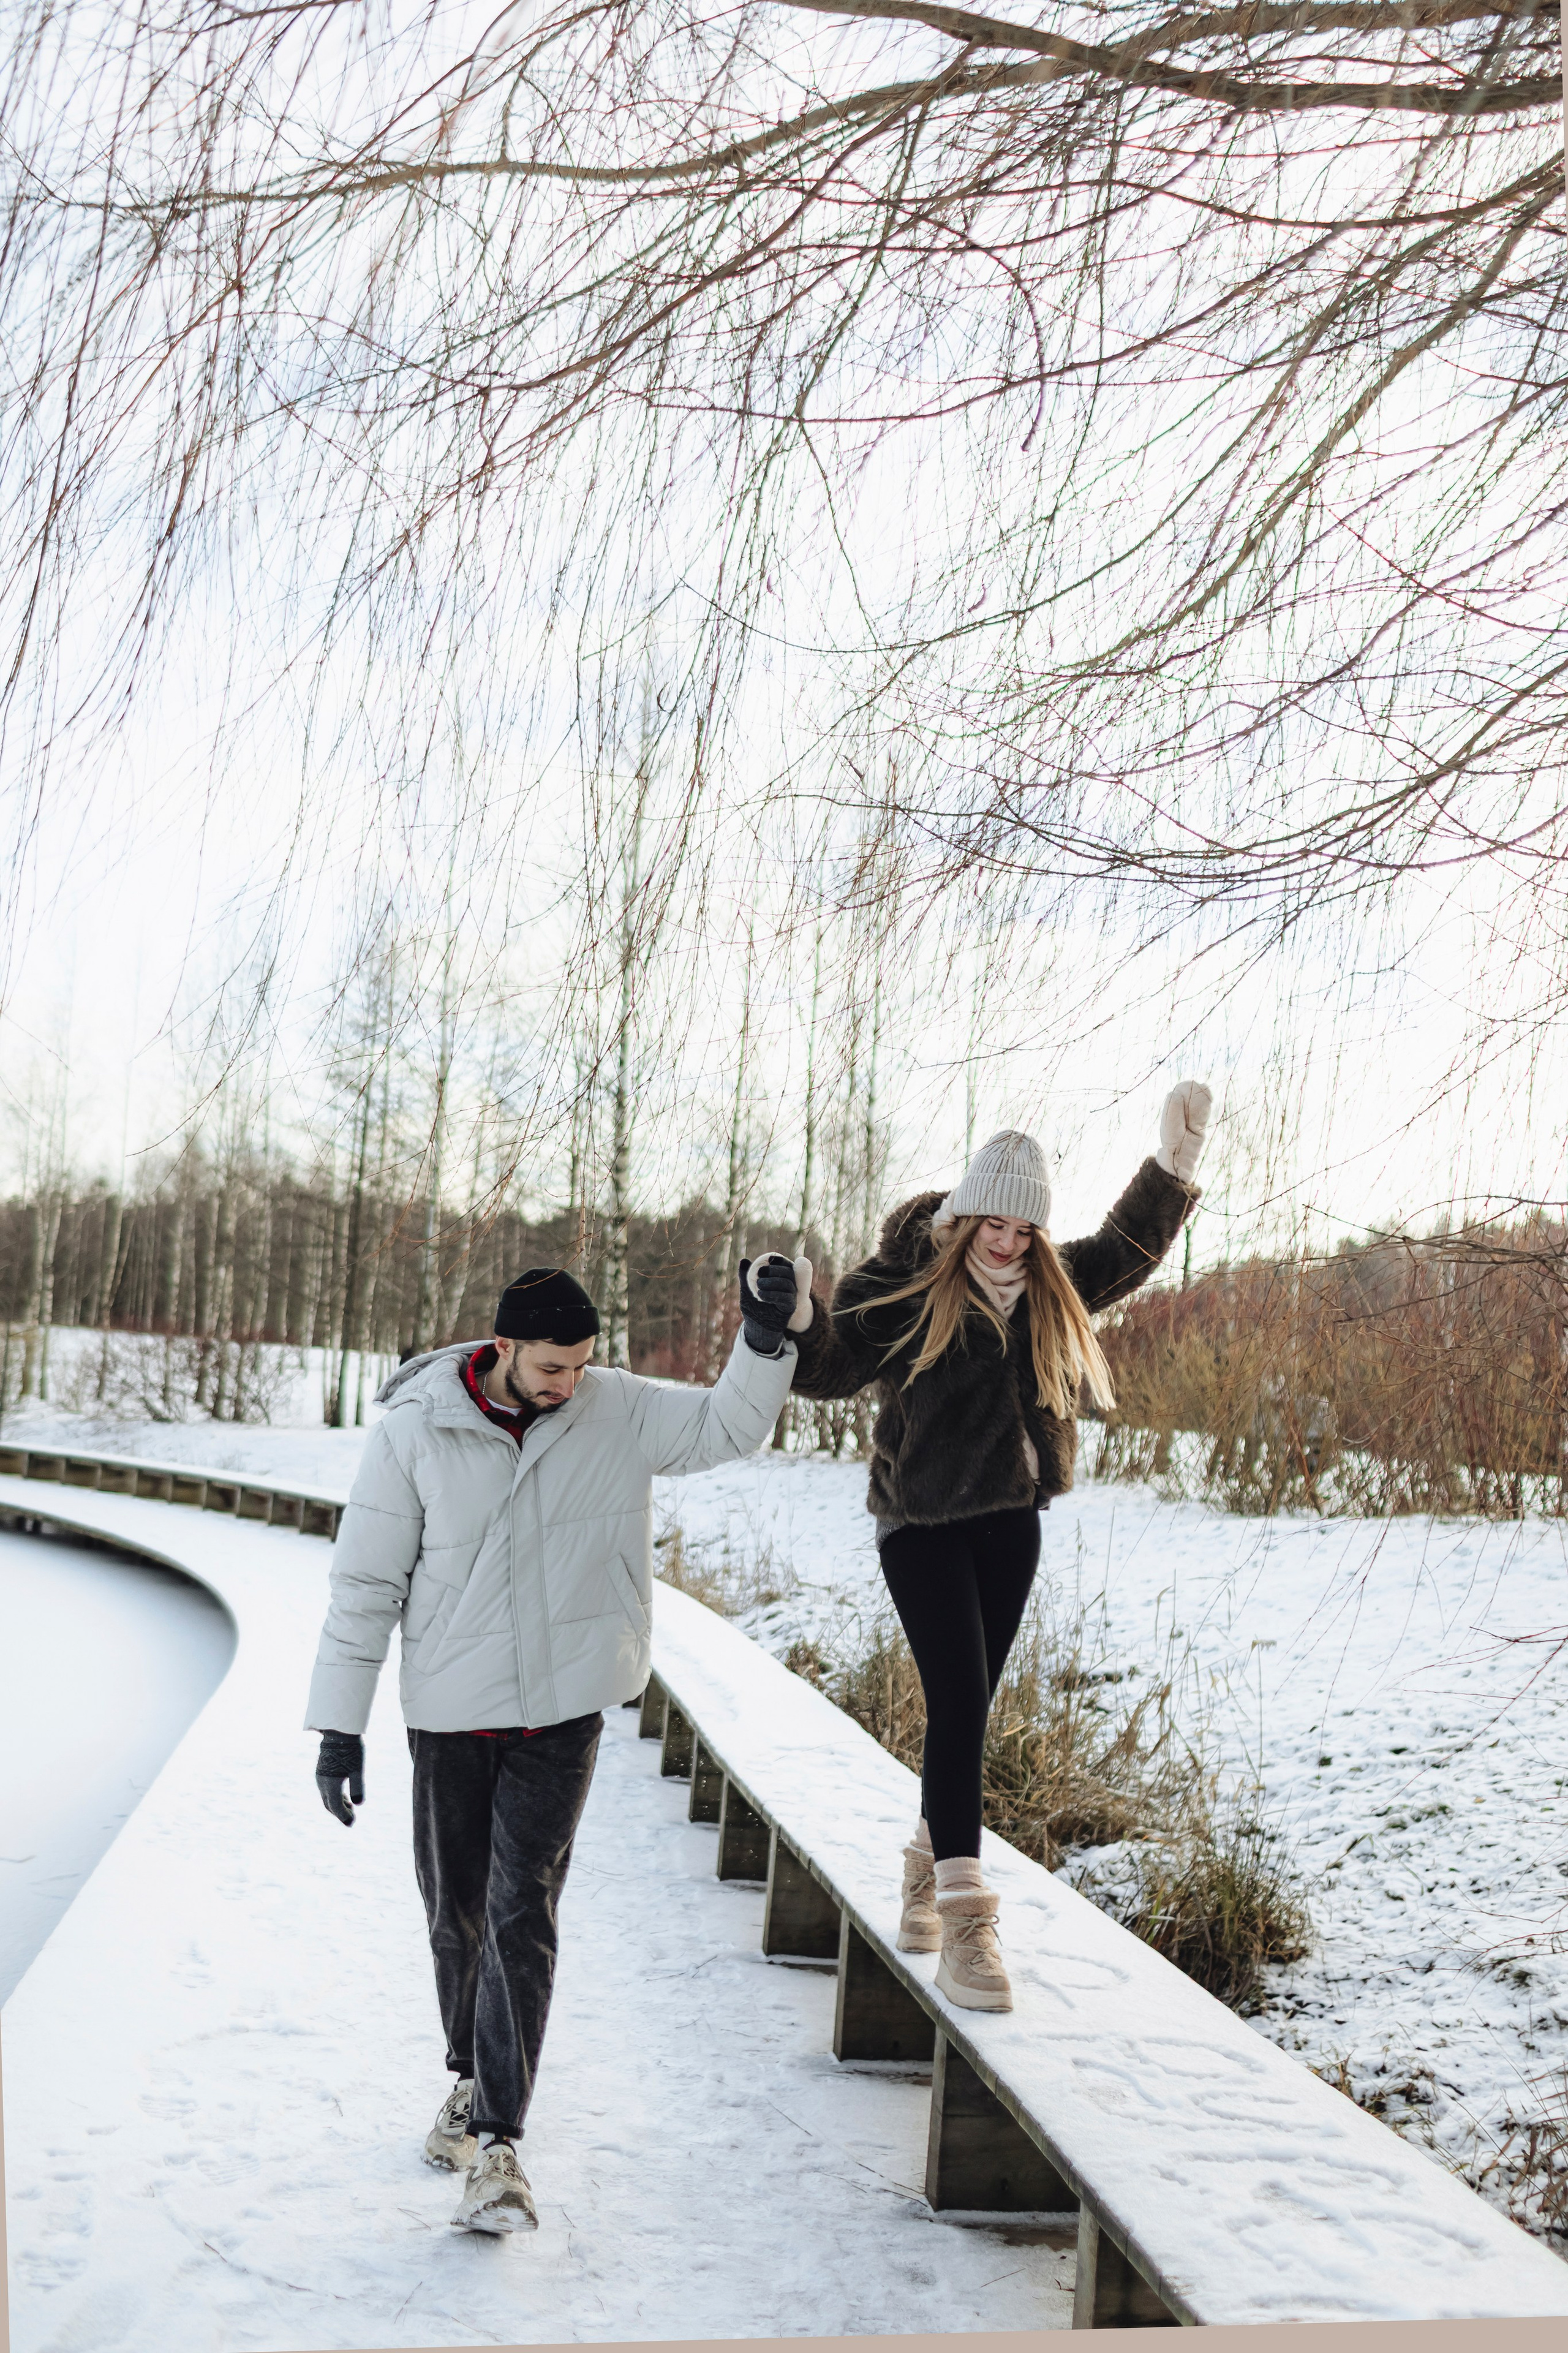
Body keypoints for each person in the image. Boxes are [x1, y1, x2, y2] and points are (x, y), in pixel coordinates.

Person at [304, 1255, 811, 2234]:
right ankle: (469, 2072)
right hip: (451, 1711)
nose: (568, 1384)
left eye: (581, 1365)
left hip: (564, 1709)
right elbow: (365, 1582)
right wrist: (339, 1723)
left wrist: (763, 1338)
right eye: (551, 1367)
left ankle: (499, 2143)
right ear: (502, 1348)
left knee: (519, 1908)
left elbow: (728, 1426)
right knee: (455, 1914)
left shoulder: (613, 1408)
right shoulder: (416, 1430)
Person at [786, 1083, 1213, 2014]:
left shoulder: (1048, 1283)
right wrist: (797, 1318)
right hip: (920, 1523)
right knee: (959, 1696)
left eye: (1026, 1227)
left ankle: (923, 1865)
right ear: (970, 1210)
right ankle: (970, 1922)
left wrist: (1173, 1167)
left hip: (1011, 1521)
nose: (1009, 1241)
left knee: (968, 1709)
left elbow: (1127, 1250)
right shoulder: (907, 1280)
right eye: (997, 1222)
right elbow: (829, 1367)